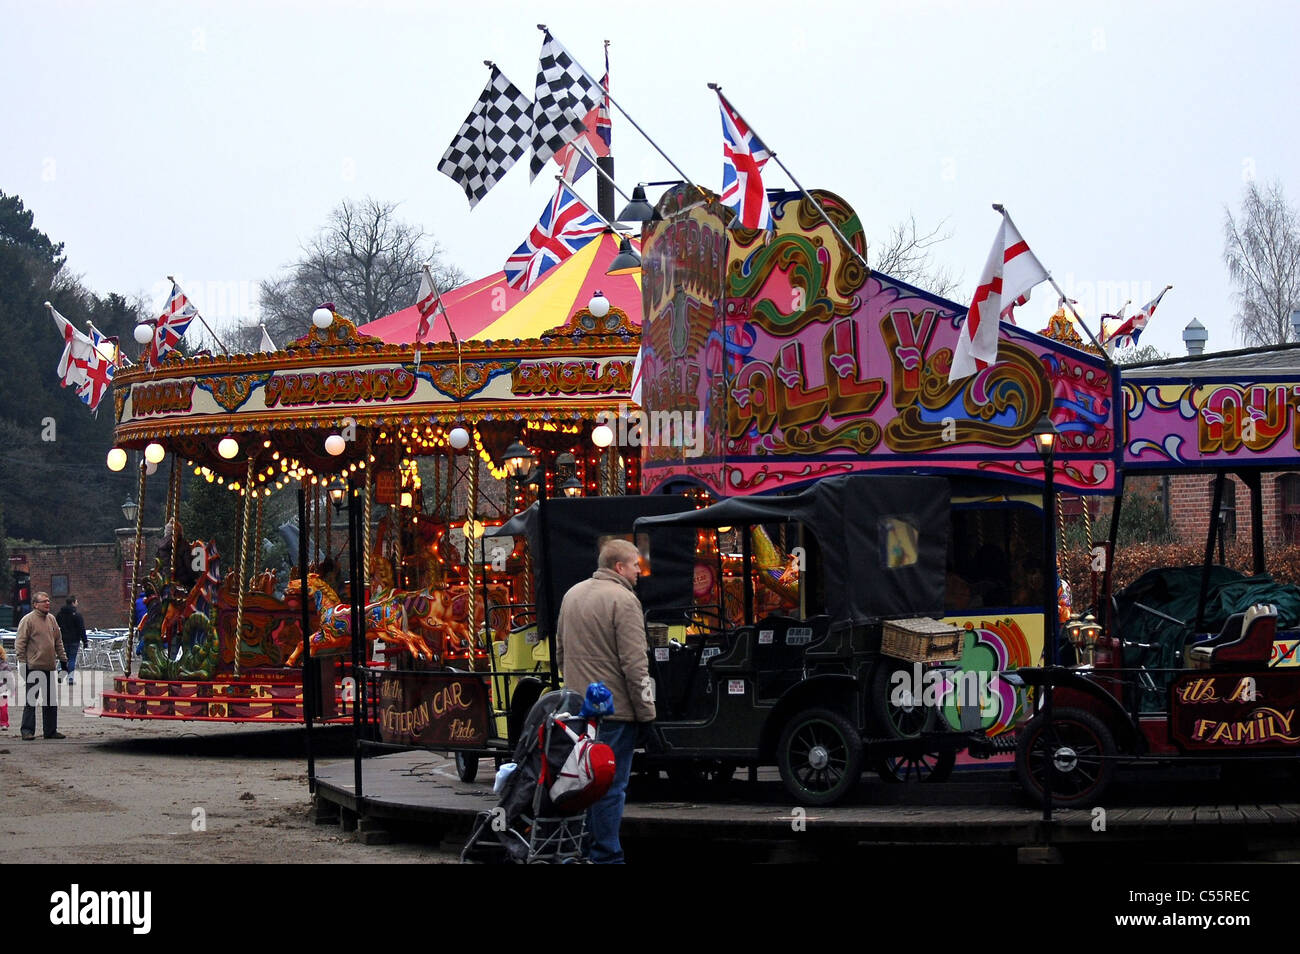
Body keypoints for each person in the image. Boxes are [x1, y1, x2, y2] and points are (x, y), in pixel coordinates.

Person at [555, 539, 656, 864]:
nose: (640, 572)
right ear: (619, 567)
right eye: (635, 565)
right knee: (610, 786)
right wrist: (647, 713)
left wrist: (576, 689)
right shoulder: (624, 600)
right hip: (615, 713)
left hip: (578, 710)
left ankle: (582, 850)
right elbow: (635, 665)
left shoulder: (572, 595)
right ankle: (607, 855)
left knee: (583, 782)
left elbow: (561, 652)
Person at [15, 591, 68, 740]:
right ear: (35, 604)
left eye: (48, 600)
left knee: (51, 701)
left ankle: (50, 731)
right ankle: (27, 731)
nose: (47, 603)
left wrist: (63, 662)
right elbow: (20, 643)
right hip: (34, 667)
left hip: (49, 667)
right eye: (44, 601)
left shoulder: (51, 619)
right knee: (31, 701)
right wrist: (22, 663)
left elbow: (58, 642)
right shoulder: (28, 620)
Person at [55, 596, 88, 686]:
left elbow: (55, 627)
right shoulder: (77, 615)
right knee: (72, 659)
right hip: (74, 640)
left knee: (63, 657)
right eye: (76, 601)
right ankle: (70, 678)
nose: (77, 603)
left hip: (62, 640)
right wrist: (85, 641)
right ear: (73, 603)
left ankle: (60, 671)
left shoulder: (59, 614)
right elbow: (81, 629)